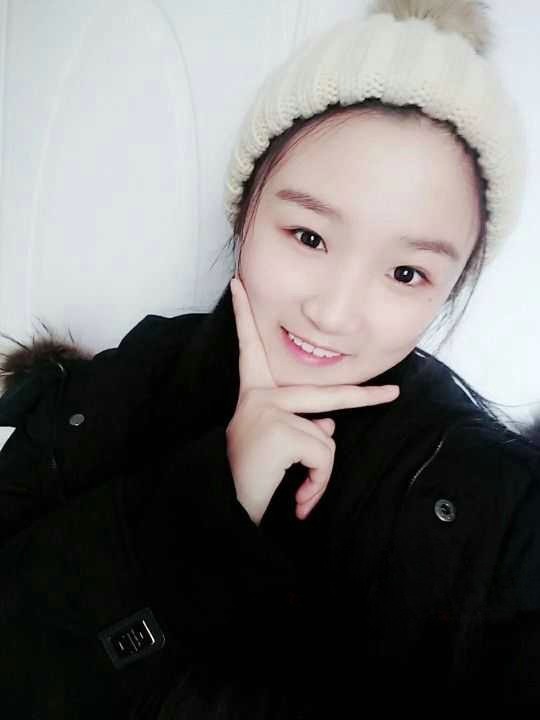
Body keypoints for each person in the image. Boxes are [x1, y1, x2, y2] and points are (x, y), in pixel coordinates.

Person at [0, 0, 539, 716]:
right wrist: (212, 493)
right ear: (246, 206)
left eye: (406, 273)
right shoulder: (120, 386)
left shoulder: (495, 501)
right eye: (310, 237)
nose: (334, 312)